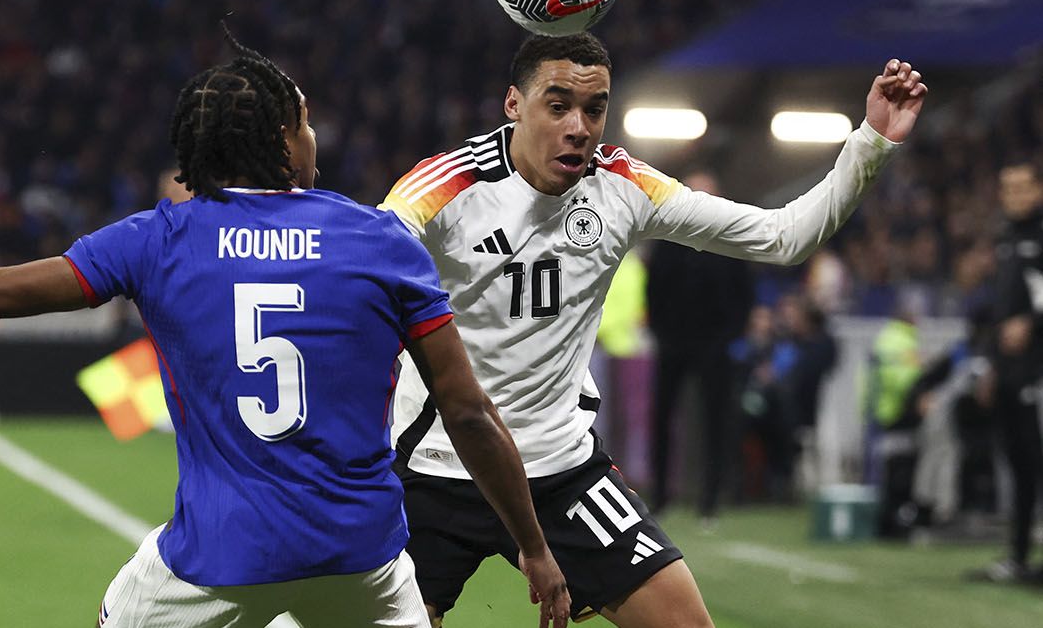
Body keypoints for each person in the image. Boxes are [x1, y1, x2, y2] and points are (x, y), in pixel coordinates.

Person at [0, 34, 572, 628]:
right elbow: (468, 413)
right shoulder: (381, 240)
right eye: (305, 123)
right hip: (361, 558)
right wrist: (533, 548)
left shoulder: (159, 238)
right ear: (284, 144)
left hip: (220, 559)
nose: (315, 136)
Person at [381, 32, 926, 626]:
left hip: (562, 474)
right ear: (514, 105)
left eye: (594, 109)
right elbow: (366, 266)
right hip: (435, 470)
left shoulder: (624, 186)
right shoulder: (445, 187)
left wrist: (871, 142)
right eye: (557, 105)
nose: (579, 127)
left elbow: (782, 236)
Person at [645, 171, 754, 520]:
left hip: (714, 345)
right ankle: (660, 495)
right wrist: (662, 334)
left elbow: (743, 295)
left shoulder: (730, 241)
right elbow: (654, 290)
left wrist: (728, 337)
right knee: (662, 418)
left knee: (716, 421)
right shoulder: (668, 239)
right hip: (673, 342)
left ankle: (711, 499)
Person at [969, 161, 1043, 583]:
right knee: (1019, 465)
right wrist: (989, 366)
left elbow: (1026, 311)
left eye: (1021, 187)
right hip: (1012, 372)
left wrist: (1032, 324)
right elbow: (999, 314)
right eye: (1006, 188)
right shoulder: (1006, 240)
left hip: (1038, 370)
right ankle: (1018, 557)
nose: (1013, 196)